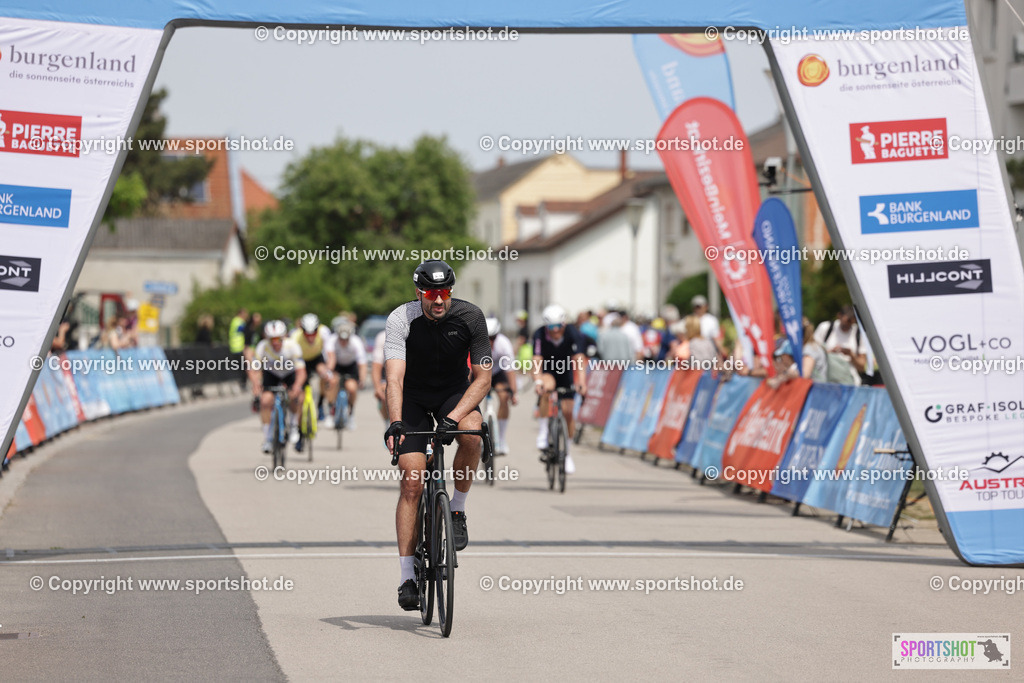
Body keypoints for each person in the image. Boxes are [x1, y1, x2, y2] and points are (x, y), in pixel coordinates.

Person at [383, 259, 491, 611]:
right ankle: (406, 578)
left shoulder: (472, 317)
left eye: (444, 292)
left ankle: (456, 510)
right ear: (419, 293)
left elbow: (483, 378)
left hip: (453, 395)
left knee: (472, 433)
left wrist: (454, 418)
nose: (439, 299)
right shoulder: (401, 319)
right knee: (411, 483)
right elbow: (395, 378)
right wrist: (397, 423)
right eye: (431, 293)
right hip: (412, 398)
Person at [532, 304, 587, 475]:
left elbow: (579, 359)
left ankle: (567, 453)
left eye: (558, 326)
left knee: (569, 412)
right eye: (551, 327)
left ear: (564, 324)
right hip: (548, 371)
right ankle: (543, 432)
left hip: (565, 372)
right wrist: (537, 380)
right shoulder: (539, 334)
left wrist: (582, 382)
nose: (555, 331)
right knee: (545, 388)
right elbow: (536, 360)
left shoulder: (572, 332)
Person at [248, 320, 307, 453]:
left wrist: (297, 386)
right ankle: (268, 438)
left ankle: (293, 426)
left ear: (283, 337)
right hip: (272, 374)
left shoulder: (292, 346)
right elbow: (253, 368)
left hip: (289, 373)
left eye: (278, 339)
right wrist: (256, 383)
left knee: (295, 396)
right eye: (271, 339)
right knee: (265, 401)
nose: (275, 342)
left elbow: (301, 372)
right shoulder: (263, 346)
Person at [289, 313, 339, 451]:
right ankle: (296, 428)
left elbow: (330, 355)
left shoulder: (324, 332)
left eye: (313, 333)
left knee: (329, 377)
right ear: (302, 330)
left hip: (316, 358)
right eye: (307, 333)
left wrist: (328, 371)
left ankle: (327, 407)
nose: (310, 336)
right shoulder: (295, 337)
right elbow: (291, 361)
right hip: (300, 361)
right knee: (299, 396)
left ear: (317, 329)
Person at [486, 317, 518, 455]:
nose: (490, 341)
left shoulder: (503, 344)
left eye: (493, 338)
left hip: (497, 373)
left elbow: (510, 371)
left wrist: (513, 393)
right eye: (487, 337)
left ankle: (501, 437)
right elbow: (468, 369)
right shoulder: (474, 341)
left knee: (504, 396)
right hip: (480, 371)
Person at [329, 318, 367, 430]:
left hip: (351, 366)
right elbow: (330, 359)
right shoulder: (332, 341)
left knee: (352, 388)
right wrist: (329, 374)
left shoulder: (356, 342)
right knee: (332, 382)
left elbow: (362, 363)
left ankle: (351, 413)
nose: (343, 342)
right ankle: (331, 410)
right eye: (341, 339)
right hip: (337, 364)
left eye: (346, 339)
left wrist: (362, 379)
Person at [814, 305, 867, 377]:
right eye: (846, 322)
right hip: (826, 377)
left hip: (849, 378)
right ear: (839, 316)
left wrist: (851, 355)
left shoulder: (858, 333)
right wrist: (829, 353)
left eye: (850, 323)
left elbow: (862, 367)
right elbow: (812, 354)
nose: (847, 326)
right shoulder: (825, 327)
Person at [801, 317, 828, 383]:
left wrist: (788, 375)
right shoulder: (812, 346)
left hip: (815, 390)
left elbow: (805, 374)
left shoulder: (809, 349)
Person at [370, 329, 388, 423]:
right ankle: (387, 423)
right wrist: (377, 387)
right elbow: (376, 365)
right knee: (384, 391)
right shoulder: (382, 336)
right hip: (388, 369)